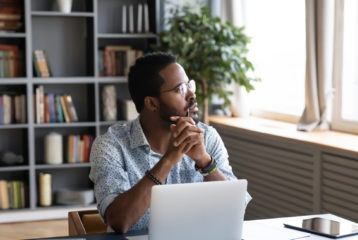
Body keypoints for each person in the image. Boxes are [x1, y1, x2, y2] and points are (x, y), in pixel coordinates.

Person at [89, 52, 251, 233]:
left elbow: (238, 208)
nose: (192, 94)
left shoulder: (207, 137)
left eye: (190, 85)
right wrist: (168, 160)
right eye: (180, 89)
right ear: (151, 103)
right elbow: (119, 221)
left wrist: (205, 162)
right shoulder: (111, 146)